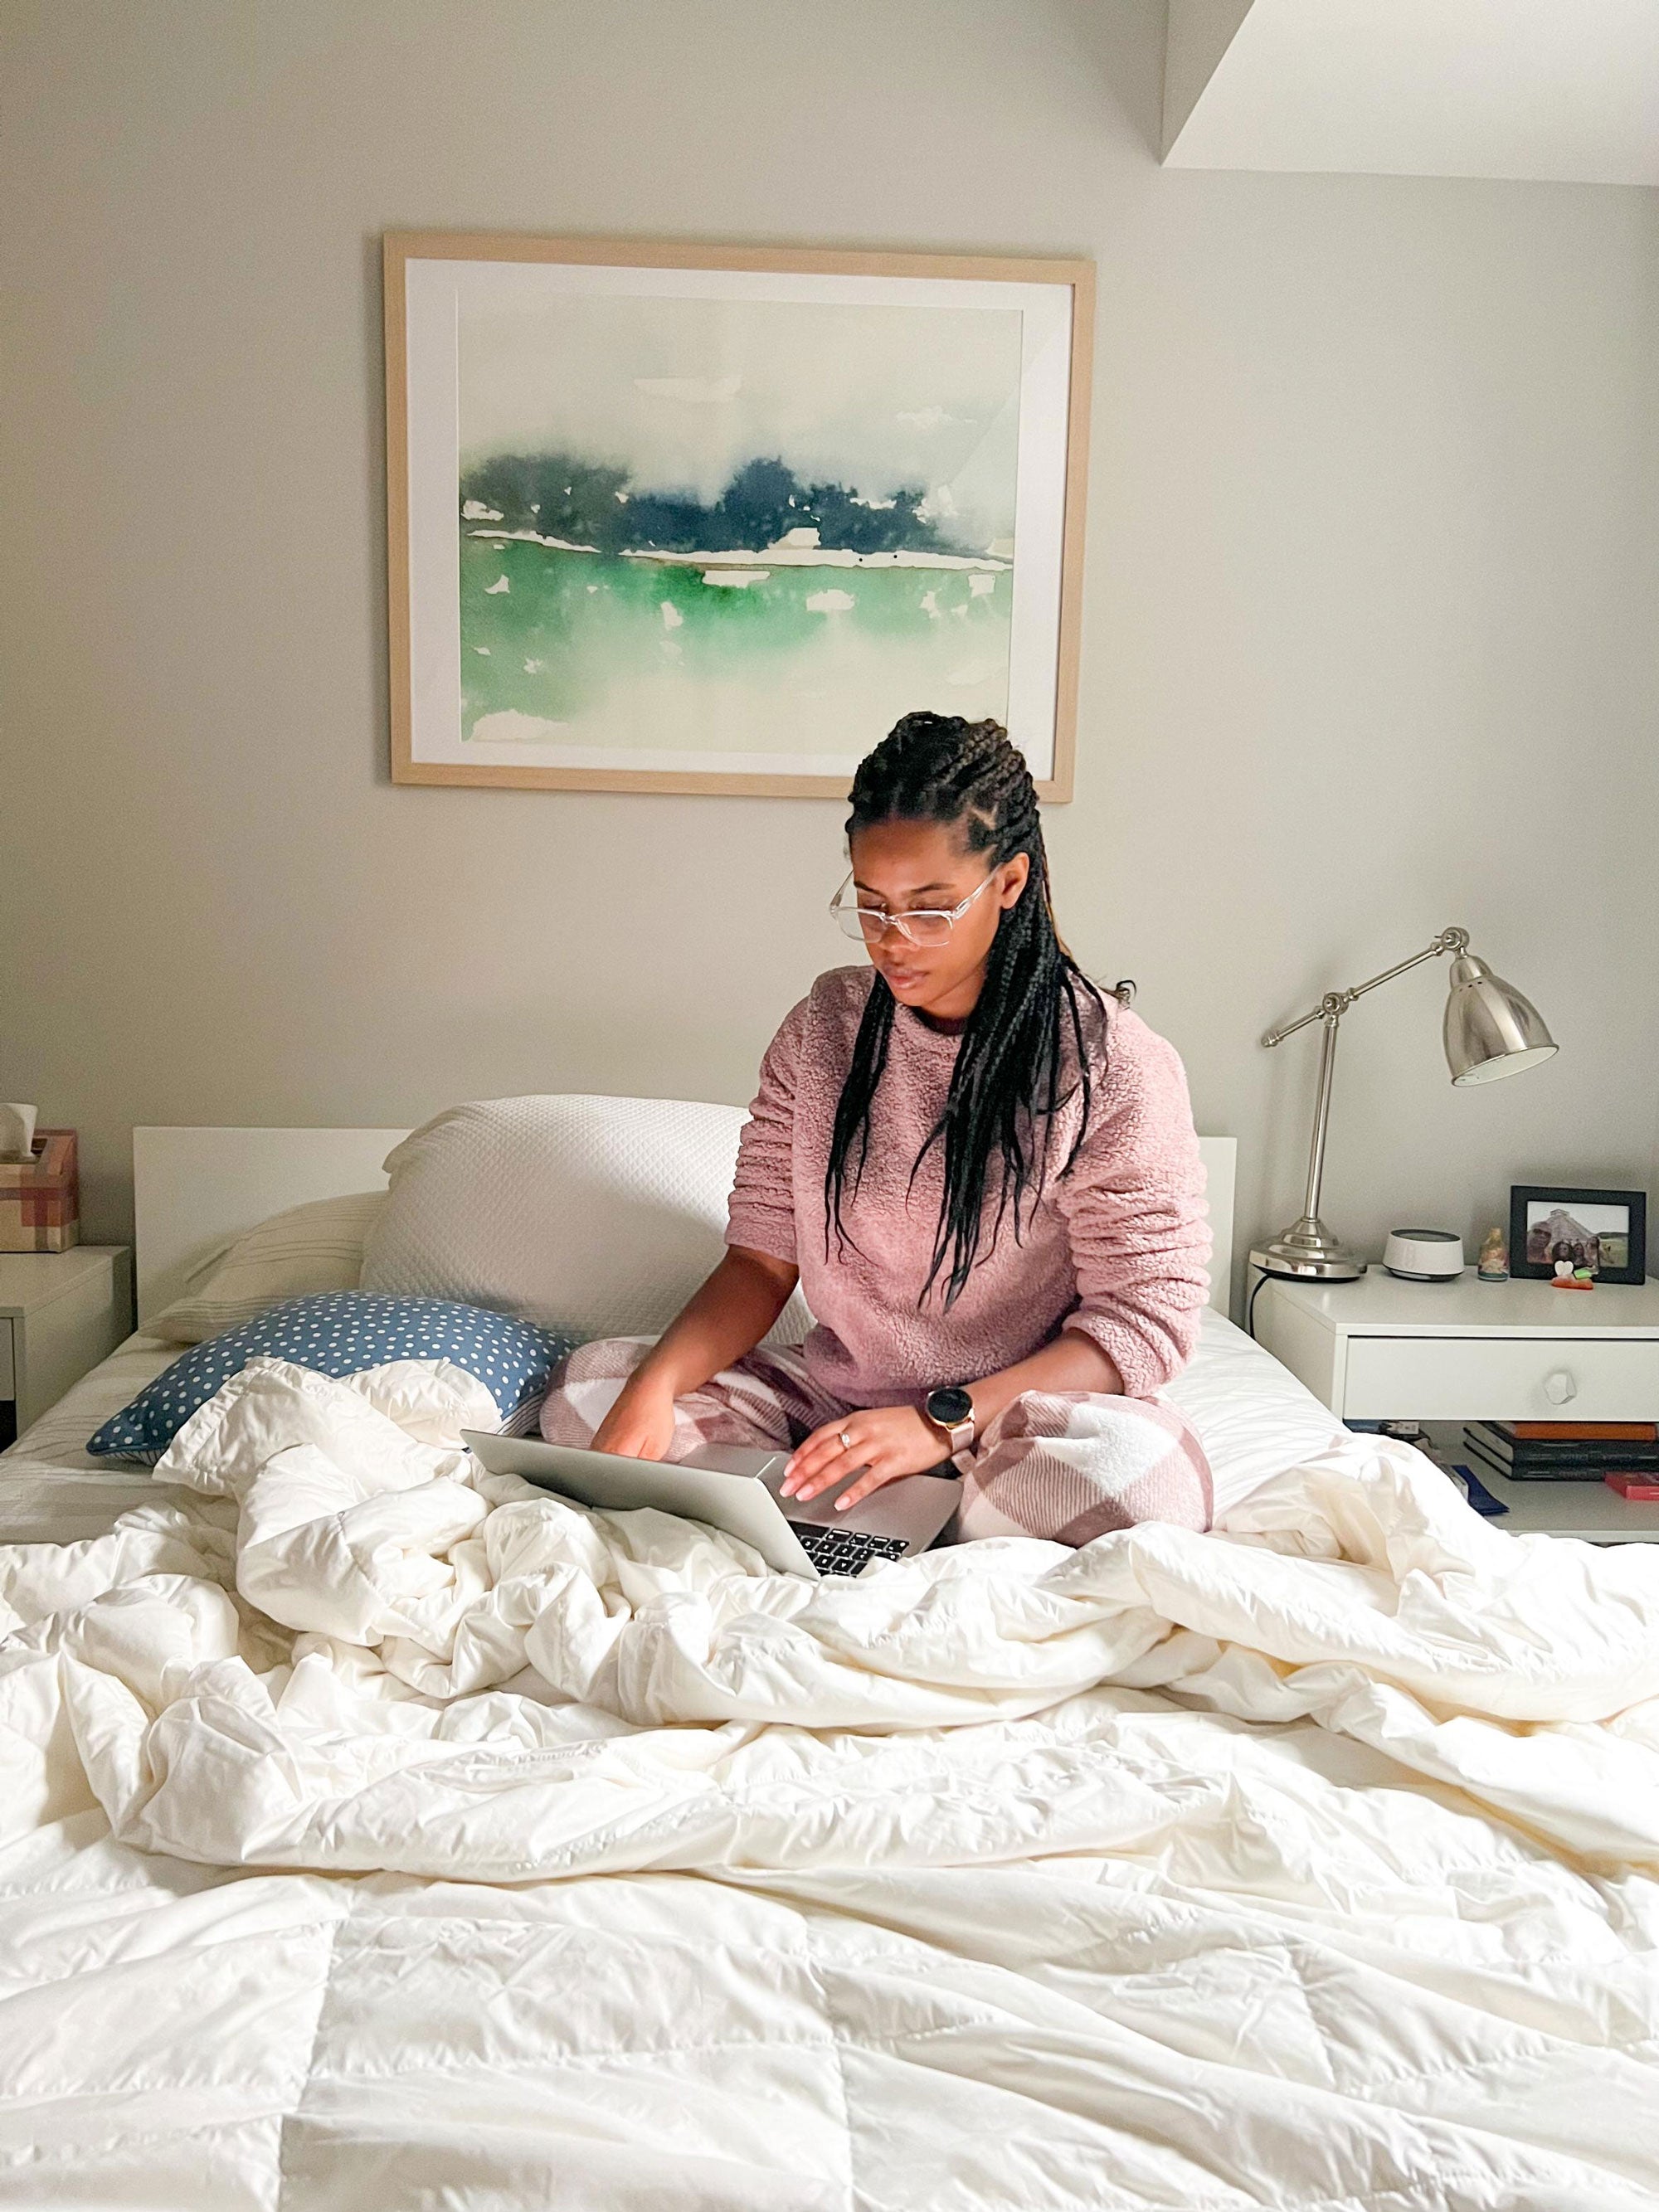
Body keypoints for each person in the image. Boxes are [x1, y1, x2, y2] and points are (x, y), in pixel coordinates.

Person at [542, 712, 1213, 1544]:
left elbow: (1142, 1320)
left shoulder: (1112, 1063)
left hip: (1021, 1412)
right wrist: (653, 1389)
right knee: (588, 1394)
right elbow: (759, 1261)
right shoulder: (822, 1028)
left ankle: (890, 1514)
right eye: (871, 906)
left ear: (1009, 881)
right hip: (841, 1405)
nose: (893, 943)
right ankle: (917, 1521)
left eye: (930, 910)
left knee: (1133, 1483)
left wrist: (938, 1424)